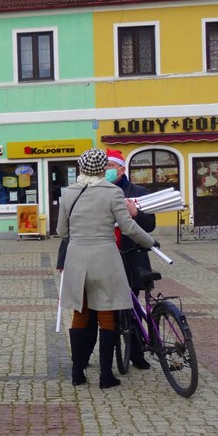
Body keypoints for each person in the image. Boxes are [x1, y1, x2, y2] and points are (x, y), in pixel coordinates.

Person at [58, 149, 155, 389]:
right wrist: (150, 242)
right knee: (107, 315)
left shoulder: (68, 194)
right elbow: (128, 227)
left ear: (80, 168)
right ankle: (106, 376)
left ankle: (77, 372)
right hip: (105, 258)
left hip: (77, 258)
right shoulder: (113, 192)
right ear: (103, 169)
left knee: (80, 314)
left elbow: (62, 232)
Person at [105, 148, 157, 370]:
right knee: (110, 307)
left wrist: (136, 214)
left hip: (132, 256)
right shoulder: (101, 191)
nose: (107, 171)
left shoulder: (138, 191)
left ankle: (137, 353)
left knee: (133, 304)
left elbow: (150, 225)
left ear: (121, 168)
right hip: (107, 256)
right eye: (104, 167)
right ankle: (110, 350)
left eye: (110, 167)